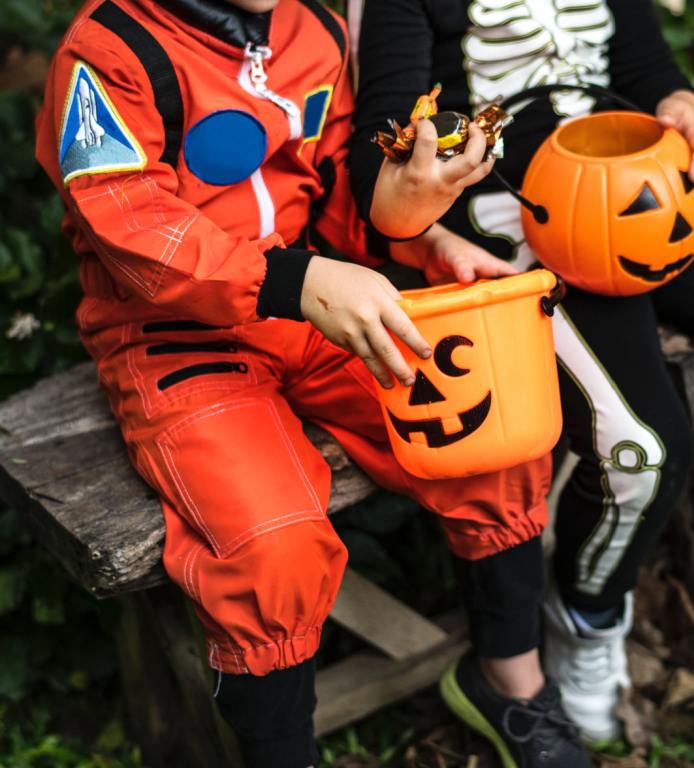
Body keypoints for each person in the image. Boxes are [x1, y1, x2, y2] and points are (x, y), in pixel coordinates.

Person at [36, 1, 591, 766]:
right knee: (272, 546)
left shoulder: (313, 27)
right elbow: (128, 224)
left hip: (322, 307)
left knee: (485, 429)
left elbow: (331, 187)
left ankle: (511, 686)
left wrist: (427, 241)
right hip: (173, 334)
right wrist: (292, 281)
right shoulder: (111, 54)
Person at [349, 0, 694, 750]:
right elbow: (380, 148)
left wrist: (683, 105)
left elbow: (647, 69)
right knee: (644, 453)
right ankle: (587, 617)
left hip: (638, 181)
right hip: (512, 212)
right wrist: (421, 220)